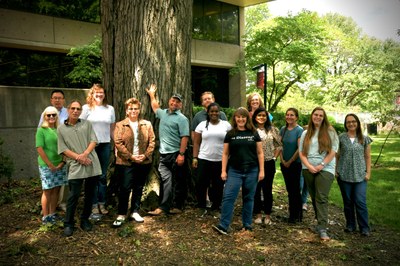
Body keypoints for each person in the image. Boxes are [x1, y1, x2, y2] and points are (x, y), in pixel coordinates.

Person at [213, 107, 264, 235]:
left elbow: (260, 152)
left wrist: (261, 171)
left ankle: (247, 225)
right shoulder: (230, 134)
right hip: (234, 171)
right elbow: (225, 153)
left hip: (252, 170)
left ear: (247, 118)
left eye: (243, 117)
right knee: (228, 197)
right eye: (238, 117)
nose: (241, 119)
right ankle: (224, 225)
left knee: (249, 197)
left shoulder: (253, 133)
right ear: (235, 118)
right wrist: (223, 171)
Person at [58, 100, 102, 237]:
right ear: (68, 110)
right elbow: (63, 149)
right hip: (75, 165)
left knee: (90, 194)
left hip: (91, 163)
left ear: (81, 111)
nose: (75, 111)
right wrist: (78, 157)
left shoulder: (87, 124)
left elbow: (93, 141)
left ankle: (84, 220)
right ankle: (68, 224)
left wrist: (84, 155)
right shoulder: (61, 129)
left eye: (78, 109)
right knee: (73, 195)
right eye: (73, 108)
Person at [146, 84, 190, 215]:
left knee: (179, 180)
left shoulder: (182, 119)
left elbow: (185, 137)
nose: (174, 103)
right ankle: (164, 207)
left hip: (177, 153)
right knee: (166, 180)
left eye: (177, 102)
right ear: (169, 101)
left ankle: (178, 206)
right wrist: (151, 95)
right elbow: (155, 107)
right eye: (173, 100)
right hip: (164, 154)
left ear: (180, 105)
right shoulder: (163, 113)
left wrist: (181, 154)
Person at [112, 98, 155, 227]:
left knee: (138, 187)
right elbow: (118, 142)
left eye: (136, 108)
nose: (133, 111)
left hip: (143, 161)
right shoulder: (120, 125)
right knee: (125, 188)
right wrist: (131, 156)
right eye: (131, 108)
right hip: (125, 162)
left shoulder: (146, 124)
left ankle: (135, 211)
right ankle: (121, 214)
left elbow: (152, 141)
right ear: (126, 110)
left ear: (139, 110)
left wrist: (145, 155)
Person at [299, 107, 338, 241]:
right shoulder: (305, 133)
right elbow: (301, 153)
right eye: (315, 114)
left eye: (321, 115)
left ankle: (322, 228)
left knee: (321, 197)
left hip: (326, 168)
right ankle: (319, 222)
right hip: (308, 168)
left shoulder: (330, 131)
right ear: (312, 116)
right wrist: (309, 166)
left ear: (324, 117)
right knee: (314, 196)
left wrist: (321, 165)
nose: (318, 117)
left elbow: (333, 151)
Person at [80, 84, 115, 218]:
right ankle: (93, 204)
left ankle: (102, 202)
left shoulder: (110, 109)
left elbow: (112, 129)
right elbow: (81, 127)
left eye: (101, 92)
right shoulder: (86, 108)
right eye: (96, 92)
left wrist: (116, 145)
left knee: (102, 176)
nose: (99, 95)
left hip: (105, 145)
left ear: (104, 94)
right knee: (91, 176)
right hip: (90, 146)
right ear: (92, 94)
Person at [192, 102, 231, 216]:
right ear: (208, 113)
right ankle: (201, 206)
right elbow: (196, 143)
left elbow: (231, 142)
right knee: (201, 183)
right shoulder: (202, 125)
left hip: (220, 160)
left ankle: (215, 207)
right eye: (212, 111)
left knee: (218, 184)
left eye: (216, 111)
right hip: (204, 159)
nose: (214, 113)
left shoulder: (226, 125)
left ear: (220, 112)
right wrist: (195, 157)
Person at [336, 114, 372, 236]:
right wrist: (336, 170)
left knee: (360, 201)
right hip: (344, 174)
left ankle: (364, 227)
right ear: (345, 124)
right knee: (348, 201)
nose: (351, 124)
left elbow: (367, 157)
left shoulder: (364, 138)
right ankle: (350, 225)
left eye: (353, 121)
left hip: (360, 175)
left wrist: (368, 173)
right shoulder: (341, 138)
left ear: (357, 123)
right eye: (348, 122)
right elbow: (337, 155)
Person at [38, 89, 69, 212]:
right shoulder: (46, 113)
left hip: (64, 154)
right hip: (49, 158)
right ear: (51, 100)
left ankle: (62, 204)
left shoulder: (68, 112)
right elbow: (40, 133)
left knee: (63, 183)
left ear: (63, 100)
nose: (57, 100)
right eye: (55, 98)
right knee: (49, 186)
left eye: (60, 98)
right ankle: (48, 210)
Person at [252, 107, 282, 225]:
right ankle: (258, 214)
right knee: (256, 189)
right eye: (259, 115)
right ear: (255, 117)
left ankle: (268, 215)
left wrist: (274, 158)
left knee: (267, 189)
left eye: (263, 115)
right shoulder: (251, 129)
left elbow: (279, 145)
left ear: (267, 117)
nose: (261, 117)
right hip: (254, 163)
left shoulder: (273, 130)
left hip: (269, 162)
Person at [279, 108, 304, 223]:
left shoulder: (299, 130)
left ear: (296, 117)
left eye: (292, 115)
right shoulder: (283, 129)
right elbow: (279, 145)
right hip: (284, 164)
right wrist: (282, 160)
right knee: (289, 190)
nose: (289, 117)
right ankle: (292, 214)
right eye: (287, 115)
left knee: (295, 190)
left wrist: (290, 161)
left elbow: (300, 149)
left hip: (295, 164)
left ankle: (297, 215)